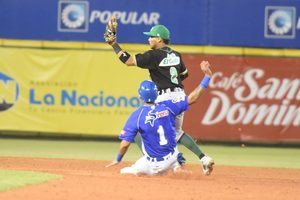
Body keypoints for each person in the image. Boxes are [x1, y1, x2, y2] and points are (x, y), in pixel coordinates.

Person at [104, 18, 213, 175]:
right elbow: (184, 74)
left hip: (163, 99)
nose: (148, 39)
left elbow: (128, 61)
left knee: (144, 130)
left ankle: (162, 163)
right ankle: (201, 158)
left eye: (151, 36)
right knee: (176, 132)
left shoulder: (154, 55)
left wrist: (114, 45)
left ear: (159, 39)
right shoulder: (176, 54)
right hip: (179, 96)